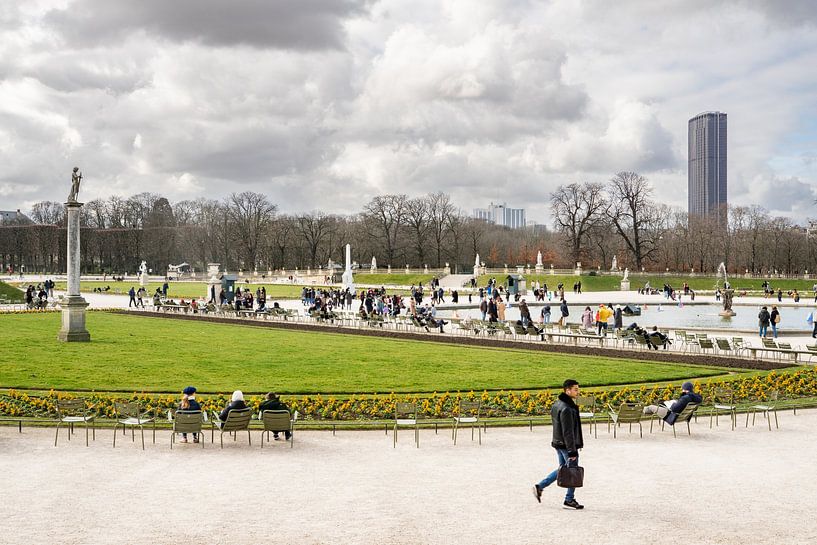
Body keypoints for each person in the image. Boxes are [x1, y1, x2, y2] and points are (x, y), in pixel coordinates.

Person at [533, 379, 584, 510]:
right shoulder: (567, 408)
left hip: (558, 443)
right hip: (567, 446)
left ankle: (540, 486)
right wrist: (572, 451)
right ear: (567, 390)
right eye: (575, 389)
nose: (578, 392)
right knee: (572, 471)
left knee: (563, 469)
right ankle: (569, 499)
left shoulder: (558, 404)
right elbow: (568, 432)